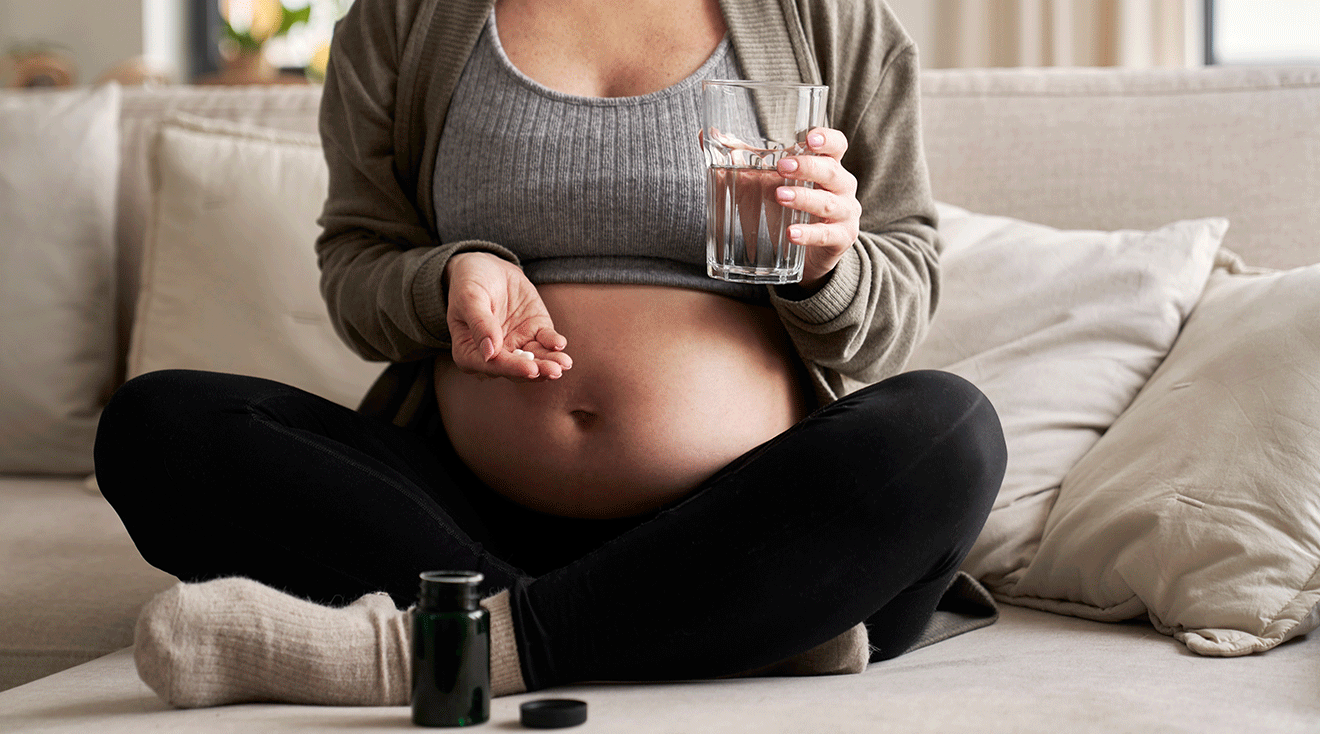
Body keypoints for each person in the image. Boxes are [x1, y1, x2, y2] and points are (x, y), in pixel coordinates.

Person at [95, 0, 1007, 708]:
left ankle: (446, 646)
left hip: (751, 520)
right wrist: (450, 279)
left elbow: (902, 292)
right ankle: (726, 625)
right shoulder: (403, 18)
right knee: (156, 426)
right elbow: (358, 267)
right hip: (459, 523)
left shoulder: (826, 17)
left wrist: (827, 268)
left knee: (953, 430)